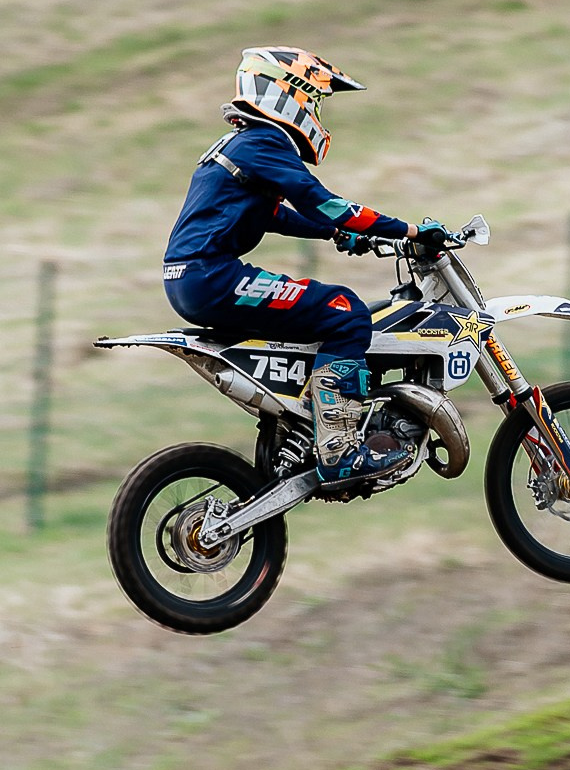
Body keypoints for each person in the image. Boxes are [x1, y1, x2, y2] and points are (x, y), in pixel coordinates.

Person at [162, 46, 431, 489]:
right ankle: (339, 451)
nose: (316, 112)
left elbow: (272, 214)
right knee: (345, 311)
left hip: (188, 279)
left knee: (312, 319)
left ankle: (300, 426)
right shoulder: (264, 141)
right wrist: (410, 231)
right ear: (288, 93)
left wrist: (336, 233)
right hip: (213, 277)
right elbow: (322, 201)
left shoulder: (239, 143)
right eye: (315, 100)